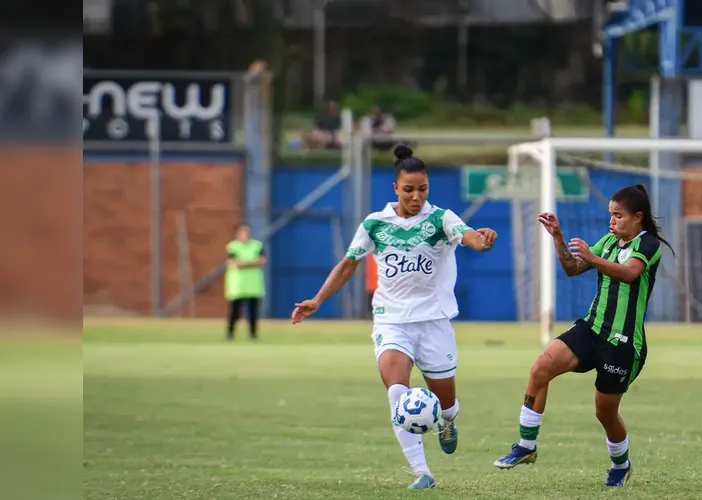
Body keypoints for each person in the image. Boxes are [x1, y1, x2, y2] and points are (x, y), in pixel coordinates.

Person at [291, 144, 498, 490]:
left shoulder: (440, 219)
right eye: (409, 190)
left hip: (433, 322)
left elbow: (470, 238)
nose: (416, 197)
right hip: (391, 321)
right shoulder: (375, 224)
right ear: (395, 189)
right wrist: (317, 300)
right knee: (397, 395)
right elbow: (348, 265)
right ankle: (423, 473)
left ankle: (447, 421)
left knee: (446, 404)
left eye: (423, 189)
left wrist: (484, 240)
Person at [492, 184, 675, 487]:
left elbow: (629, 274)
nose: (612, 222)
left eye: (618, 216)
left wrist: (592, 258)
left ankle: (621, 464)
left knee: (604, 413)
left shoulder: (648, 245)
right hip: (591, 329)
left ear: (638, 218)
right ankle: (526, 447)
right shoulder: (610, 241)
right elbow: (572, 268)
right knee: (541, 367)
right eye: (610, 215)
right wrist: (558, 237)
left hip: (622, 344)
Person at [225, 224, 267, 340]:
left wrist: (244, 263)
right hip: (238, 285)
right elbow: (234, 263)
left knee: (253, 313)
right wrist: (253, 263)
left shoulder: (257, 246)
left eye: (247, 232)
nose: (245, 235)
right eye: (242, 232)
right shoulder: (233, 247)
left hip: (254, 285)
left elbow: (262, 261)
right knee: (235, 312)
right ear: (238, 234)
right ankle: (230, 333)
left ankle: (253, 335)